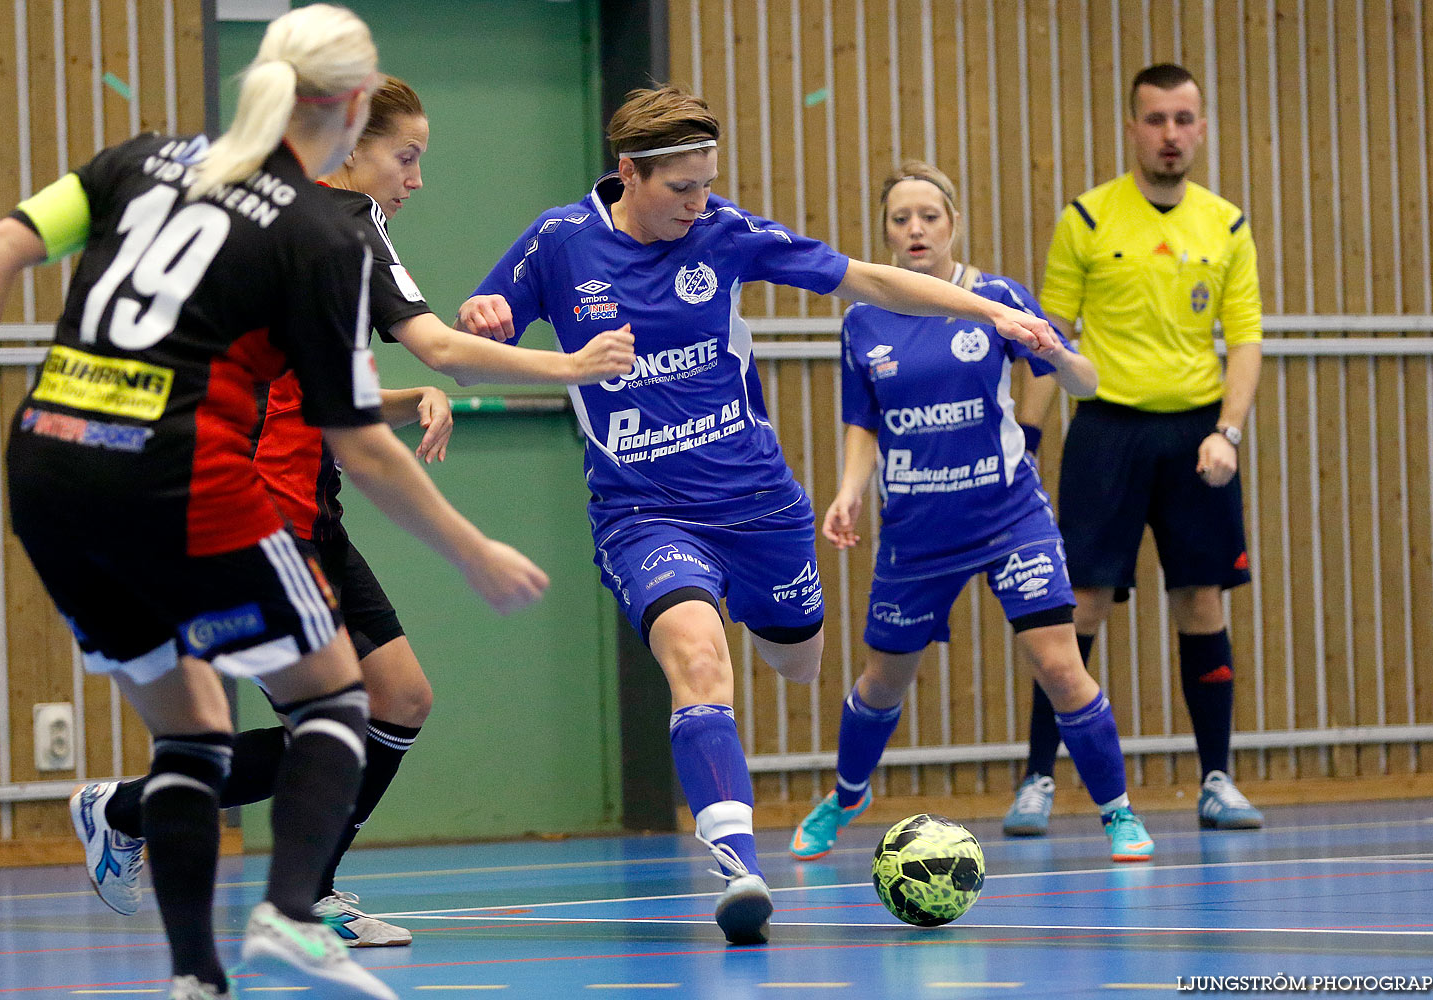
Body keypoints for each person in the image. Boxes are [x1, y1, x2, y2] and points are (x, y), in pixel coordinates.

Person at [0, 6, 550, 999]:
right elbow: (362, 446)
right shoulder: (318, 229)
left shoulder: (138, 160)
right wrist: (471, 549)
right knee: (339, 697)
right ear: (356, 103)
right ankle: (290, 913)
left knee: (193, 724)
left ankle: (196, 975)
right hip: (180, 480)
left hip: (50, 469)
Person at [457, 85, 1060, 945]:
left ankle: (778, 645)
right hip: (643, 511)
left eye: (709, 183)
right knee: (700, 664)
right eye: (682, 188)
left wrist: (994, 309)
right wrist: (488, 321)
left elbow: (866, 277)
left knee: (800, 656)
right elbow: (472, 353)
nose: (699, 202)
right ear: (629, 172)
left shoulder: (722, 232)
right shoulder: (560, 242)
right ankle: (739, 864)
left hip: (760, 505)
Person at [69, 76, 634, 951]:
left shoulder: (292, 230)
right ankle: (152, 821)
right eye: (405, 158)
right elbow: (446, 347)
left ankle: (290, 879)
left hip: (308, 513)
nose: (415, 181)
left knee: (397, 699)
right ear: (351, 148)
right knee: (330, 728)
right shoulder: (342, 221)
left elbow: (313, 386)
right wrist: (573, 367)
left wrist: (405, 402)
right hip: (250, 520)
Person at [785, 161, 1154, 866]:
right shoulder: (864, 319)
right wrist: (847, 489)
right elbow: (862, 423)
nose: (916, 229)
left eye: (929, 215)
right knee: (882, 680)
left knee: (1059, 663)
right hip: (917, 529)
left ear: (954, 222)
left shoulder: (995, 299)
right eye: (901, 218)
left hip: (1010, 515)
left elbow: (1084, 381)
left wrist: (1058, 353)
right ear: (886, 232)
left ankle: (1118, 813)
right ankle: (848, 792)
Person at [1006, 62, 1264, 837]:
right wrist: (1025, 442)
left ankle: (1216, 778)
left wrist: (1228, 431)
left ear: (1203, 127)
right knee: (1074, 605)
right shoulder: (1087, 220)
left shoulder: (1227, 225)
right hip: (1106, 434)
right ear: (1132, 129)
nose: (1171, 135)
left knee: (1200, 602)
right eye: (1156, 120)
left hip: (1195, 438)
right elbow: (1049, 341)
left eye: (1184, 119)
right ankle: (1037, 782)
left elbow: (1245, 340)